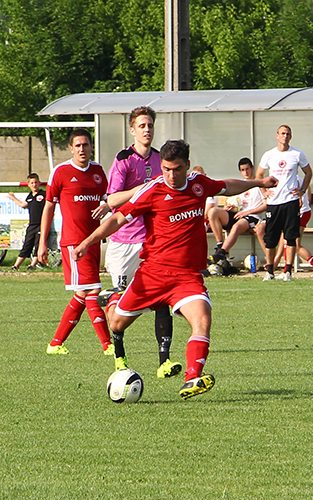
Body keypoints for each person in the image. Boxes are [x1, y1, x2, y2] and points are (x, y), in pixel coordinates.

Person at [74, 139, 277, 400]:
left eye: (176, 169)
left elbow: (227, 186)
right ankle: (115, 297)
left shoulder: (198, 185)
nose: (170, 175)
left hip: (186, 278)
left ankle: (193, 377)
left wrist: (259, 183)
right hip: (152, 275)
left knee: (202, 320)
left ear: (187, 166)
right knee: (117, 323)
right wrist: (89, 241)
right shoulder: (153, 190)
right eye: (166, 169)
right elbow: (117, 218)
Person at [103, 106, 181, 379]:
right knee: (122, 304)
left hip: (152, 242)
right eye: (142, 125)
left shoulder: (162, 159)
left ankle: (164, 361)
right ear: (132, 129)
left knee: (161, 299)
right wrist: (142, 190)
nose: (147, 129)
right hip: (124, 241)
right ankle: (120, 358)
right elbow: (112, 201)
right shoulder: (124, 159)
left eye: (150, 125)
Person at [36, 129, 113, 356]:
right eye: (77, 145)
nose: (82, 149)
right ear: (71, 148)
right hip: (73, 242)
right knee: (92, 290)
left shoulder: (98, 172)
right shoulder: (60, 172)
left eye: (85, 145)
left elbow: (107, 201)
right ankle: (107, 344)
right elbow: (49, 206)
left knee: (81, 293)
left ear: (91, 147)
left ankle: (56, 343)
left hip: (93, 241)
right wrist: (42, 242)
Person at [256, 124, 313, 282]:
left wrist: (302, 190)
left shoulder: (297, 154)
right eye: (282, 133)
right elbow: (259, 174)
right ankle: (269, 271)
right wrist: (264, 191)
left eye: (287, 134)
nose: (285, 136)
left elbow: (308, 172)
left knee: (291, 237)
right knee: (271, 239)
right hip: (274, 203)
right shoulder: (269, 155)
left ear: (291, 136)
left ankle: (288, 270)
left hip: (291, 201)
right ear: (277, 135)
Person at [209, 158, 267, 265]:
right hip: (239, 214)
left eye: (247, 169)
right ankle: (220, 244)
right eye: (243, 170)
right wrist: (229, 207)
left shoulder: (259, 185)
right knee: (213, 212)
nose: (246, 172)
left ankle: (222, 252)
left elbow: (266, 205)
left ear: (252, 169)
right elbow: (234, 203)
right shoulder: (241, 184)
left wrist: (247, 212)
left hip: (253, 217)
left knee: (236, 226)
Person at [8, 173, 45, 271]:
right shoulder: (29, 196)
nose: (34, 185)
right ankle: (16, 266)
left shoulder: (43, 194)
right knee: (27, 244)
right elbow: (23, 205)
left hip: (42, 224)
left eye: (36, 182)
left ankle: (32, 265)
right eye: (32, 183)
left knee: (38, 244)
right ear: (28, 184)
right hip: (32, 225)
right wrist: (13, 198)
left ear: (39, 183)